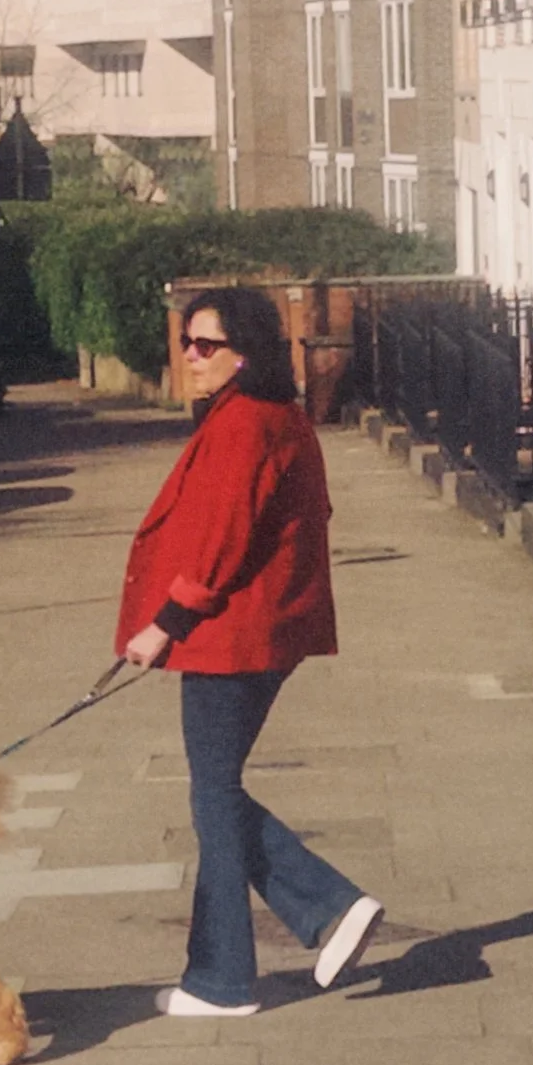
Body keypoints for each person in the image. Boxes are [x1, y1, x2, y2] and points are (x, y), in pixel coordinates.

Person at [116, 286, 383, 1018]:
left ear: (246, 353)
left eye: (207, 346)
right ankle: (312, 919)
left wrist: (166, 621)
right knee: (217, 790)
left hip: (231, 635)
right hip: (253, 629)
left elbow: (221, 538)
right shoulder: (270, 417)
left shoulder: (245, 425)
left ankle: (237, 970)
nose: (192, 358)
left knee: (214, 794)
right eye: (187, 343)